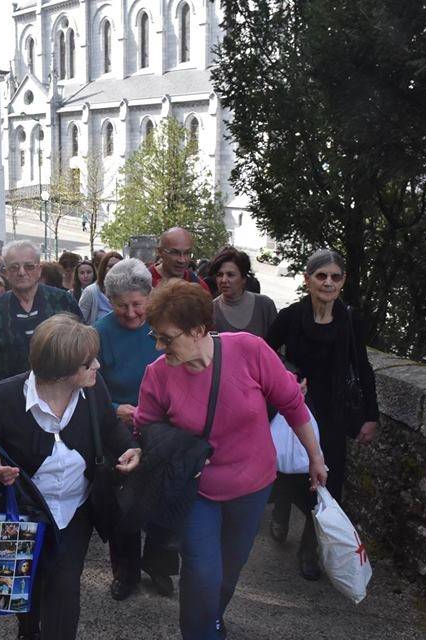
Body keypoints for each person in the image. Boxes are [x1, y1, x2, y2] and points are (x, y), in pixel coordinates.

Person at [135, 280, 326, 640]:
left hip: (252, 485)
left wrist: (315, 457)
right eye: (155, 336)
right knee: (202, 572)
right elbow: (147, 428)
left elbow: (291, 404)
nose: (160, 346)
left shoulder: (249, 350)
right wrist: (146, 450)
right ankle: (201, 633)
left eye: (167, 337)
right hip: (196, 491)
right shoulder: (158, 374)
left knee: (229, 570)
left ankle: (210, 621)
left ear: (197, 330)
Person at [0, 314, 142, 640]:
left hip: (76, 512)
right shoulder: (7, 396)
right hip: (25, 513)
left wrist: (130, 448)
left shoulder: (93, 387)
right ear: (63, 372)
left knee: (65, 585)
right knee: (26, 579)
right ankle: (28, 631)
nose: (97, 366)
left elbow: (110, 426)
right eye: (89, 363)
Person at [265, 249, 379, 580]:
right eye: (321, 276)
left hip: (332, 412)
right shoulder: (291, 317)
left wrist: (371, 414)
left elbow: (363, 366)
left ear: (343, 282)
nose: (328, 282)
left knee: (331, 481)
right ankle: (282, 509)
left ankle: (308, 549)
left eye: (335, 277)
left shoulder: (350, 321)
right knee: (287, 470)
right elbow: (263, 353)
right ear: (308, 280)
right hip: (294, 407)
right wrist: (289, 376)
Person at [92, 259, 177, 600]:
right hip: (118, 428)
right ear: (109, 302)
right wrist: (114, 408)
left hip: (162, 425)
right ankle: (125, 571)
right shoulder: (99, 332)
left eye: (137, 304)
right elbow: (88, 388)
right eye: (121, 305)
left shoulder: (164, 326)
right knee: (121, 504)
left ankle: (159, 564)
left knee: (165, 498)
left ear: (149, 296)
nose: (130, 313)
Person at [0, 240, 82, 410]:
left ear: (39, 270)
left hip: (62, 403)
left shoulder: (62, 302)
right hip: (12, 406)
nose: (22, 272)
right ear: (6, 272)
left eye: (29, 266)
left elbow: (83, 351)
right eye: (14, 267)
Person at [209, 247, 278, 337]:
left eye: (230, 275)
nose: (224, 280)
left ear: (244, 278)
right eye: (219, 275)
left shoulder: (265, 306)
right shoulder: (210, 311)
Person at [151, 228, 211, 294]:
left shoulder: (199, 287)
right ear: (160, 252)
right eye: (175, 252)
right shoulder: (144, 281)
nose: (182, 260)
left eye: (187, 253)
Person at [78, 251, 122, 325]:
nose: (115, 269)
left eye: (119, 266)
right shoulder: (91, 292)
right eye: (110, 266)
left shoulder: (129, 291)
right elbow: (79, 321)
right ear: (103, 268)